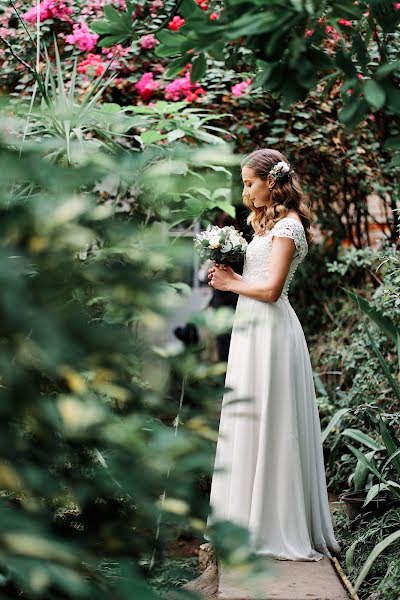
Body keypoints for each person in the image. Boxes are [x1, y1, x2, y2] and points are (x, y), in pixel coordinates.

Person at [204, 148, 340, 561]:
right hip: (252, 330)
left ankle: (275, 523)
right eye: (244, 183)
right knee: (249, 419)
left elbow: (271, 290)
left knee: (273, 422)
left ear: (272, 182)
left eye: (250, 182)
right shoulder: (265, 224)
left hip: (273, 332)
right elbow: (256, 281)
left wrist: (231, 285)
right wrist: (228, 271)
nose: (246, 191)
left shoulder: (289, 227)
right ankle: (244, 518)